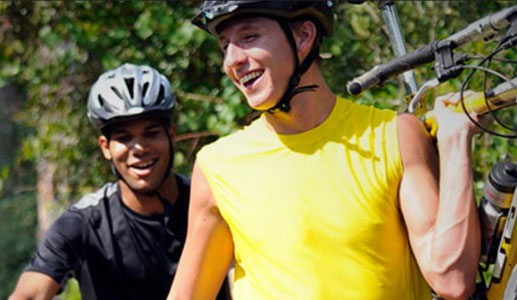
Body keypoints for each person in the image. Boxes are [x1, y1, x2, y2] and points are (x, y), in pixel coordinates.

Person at [168, 1, 483, 300]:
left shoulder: (394, 136)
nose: (232, 60)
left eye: (249, 37)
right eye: (225, 46)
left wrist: (455, 140)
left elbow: (452, 278)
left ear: (304, 36)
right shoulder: (218, 167)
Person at [9, 63, 230, 300]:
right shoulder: (83, 224)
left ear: (171, 135)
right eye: (124, 138)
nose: (139, 148)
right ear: (106, 147)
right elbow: (29, 294)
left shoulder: (213, 202)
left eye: (151, 133)